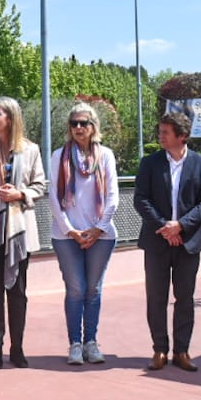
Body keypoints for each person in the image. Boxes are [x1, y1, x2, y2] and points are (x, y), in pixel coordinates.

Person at [133, 110, 201, 372]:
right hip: (157, 241)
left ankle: (182, 351)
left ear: (182, 136)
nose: (160, 136)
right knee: (156, 298)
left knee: (185, 298)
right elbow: (141, 199)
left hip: (188, 242)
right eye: (160, 132)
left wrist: (180, 225)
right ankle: (159, 350)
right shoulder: (149, 163)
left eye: (165, 133)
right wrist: (163, 226)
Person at [0, 97, 47, 369]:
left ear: (11, 118)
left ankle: (17, 348)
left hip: (20, 231)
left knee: (17, 291)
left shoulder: (31, 150)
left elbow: (40, 186)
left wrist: (20, 193)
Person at [48, 102, 119, 366]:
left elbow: (112, 195)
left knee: (93, 289)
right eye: (74, 123)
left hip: (101, 235)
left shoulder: (106, 156)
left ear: (93, 127)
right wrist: (71, 230)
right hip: (67, 236)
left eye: (84, 123)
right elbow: (54, 197)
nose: (79, 128)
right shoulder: (59, 156)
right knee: (76, 288)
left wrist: (99, 228)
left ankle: (91, 342)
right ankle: (75, 344)